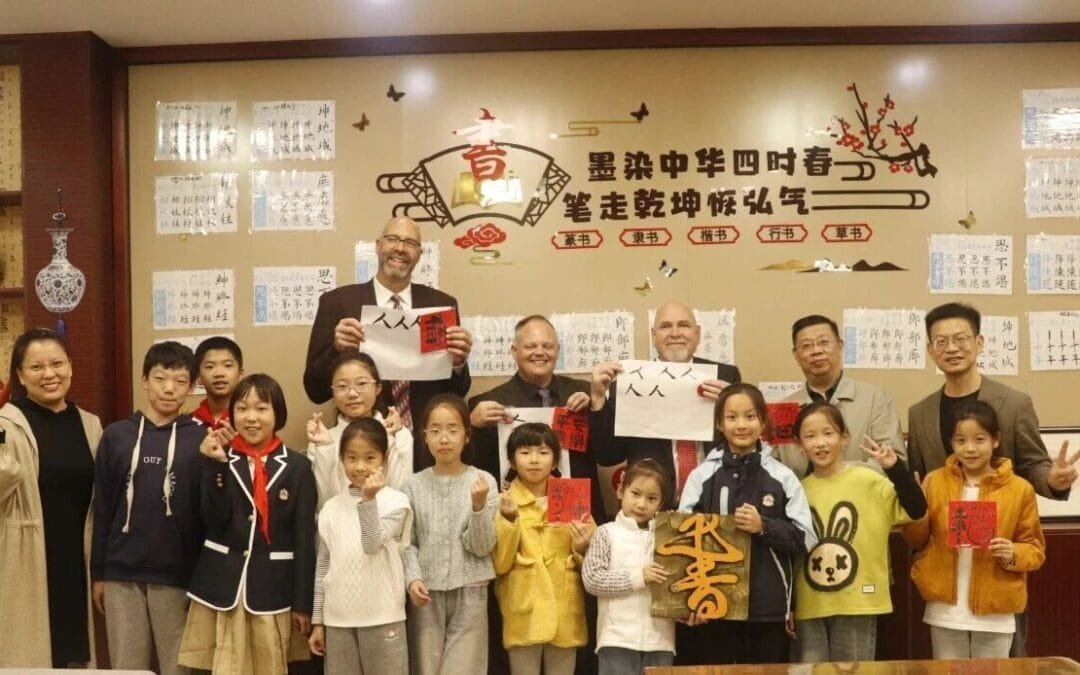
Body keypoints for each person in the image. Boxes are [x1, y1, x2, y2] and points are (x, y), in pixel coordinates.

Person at [908, 302, 1077, 656]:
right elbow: (919, 485)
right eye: (940, 341)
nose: (951, 348)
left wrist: (1055, 481)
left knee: (1007, 660)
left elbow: (1034, 464)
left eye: (960, 339)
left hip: (996, 564)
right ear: (929, 350)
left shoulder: (1013, 403)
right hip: (945, 568)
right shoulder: (919, 412)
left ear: (980, 342)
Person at [303, 216, 473, 471]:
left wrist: (458, 361)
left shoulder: (439, 306)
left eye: (410, 243)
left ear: (419, 253)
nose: (400, 248)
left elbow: (457, 391)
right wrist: (336, 351)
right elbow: (314, 390)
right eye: (393, 239)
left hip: (427, 445)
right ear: (378, 245)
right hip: (361, 448)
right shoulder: (339, 303)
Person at [178, 374, 316, 675]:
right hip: (219, 587)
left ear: (277, 413)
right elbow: (212, 520)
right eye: (242, 409)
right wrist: (215, 465)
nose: (251, 418)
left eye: (261, 408)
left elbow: (305, 538)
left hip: (272, 588)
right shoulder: (219, 457)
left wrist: (304, 603)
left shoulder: (298, 466)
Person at [678, 383, 817, 665]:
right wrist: (690, 601)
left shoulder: (783, 476)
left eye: (750, 416)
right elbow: (682, 541)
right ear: (719, 423)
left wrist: (764, 525)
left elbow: (806, 538)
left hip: (768, 608)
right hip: (714, 606)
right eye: (732, 417)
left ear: (763, 421)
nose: (741, 425)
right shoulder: (701, 475)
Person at [90, 341, 206, 675]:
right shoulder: (116, 436)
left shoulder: (201, 437)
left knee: (180, 666)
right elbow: (103, 507)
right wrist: (99, 572)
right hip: (120, 572)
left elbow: (206, 514)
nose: (169, 389)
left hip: (177, 573)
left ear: (191, 387)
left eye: (180, 381)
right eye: (160, 378)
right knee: (127, 666)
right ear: (145, 380)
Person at [903, 400, 1046, 659]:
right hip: (945, 605)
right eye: (960, 441)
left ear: (995, 440)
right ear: (952, 443)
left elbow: (1035, 549)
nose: (970, 449)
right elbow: (916, 539)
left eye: (979, 439)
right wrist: (916, 508)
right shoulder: (934, 481)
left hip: (996, 605)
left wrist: (1012, 551)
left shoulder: (1019, 489)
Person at [791, 401, 926, 662]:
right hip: (810, 602)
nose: (820, 443)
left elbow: (917, 508)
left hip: (858, 601)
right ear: (799, 444)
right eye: (810, 436)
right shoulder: (797, 490)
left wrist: (894, 467)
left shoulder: (869, 480)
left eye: (828, 433)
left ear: (845, 438)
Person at [0, 328, 103, 668]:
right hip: (25, 556)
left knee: (73, 652)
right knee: (29, 654)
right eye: (36, 367)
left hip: (77, 556)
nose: (49, 374)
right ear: (20, 375)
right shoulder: (7, 423)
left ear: (71, 367)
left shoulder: (90, 424)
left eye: (57, 364)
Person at [589, 301, 742, 506]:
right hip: (651, 507)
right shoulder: (631, 383)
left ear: (697, 333)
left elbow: (746, 443)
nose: (675, 333)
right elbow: (608, 456)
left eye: (684, 325)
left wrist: (733, 404)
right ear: (654, 336)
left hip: (715, 502)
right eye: (665, 326)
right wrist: (598, 399)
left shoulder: (725, 376)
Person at [308, 417, 412, 675]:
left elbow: (372, 544)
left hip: (383, 615)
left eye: (370, 458)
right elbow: (323, 567)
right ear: (341, 460)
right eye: (351, 458)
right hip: (338, 619)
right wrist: (318, 621)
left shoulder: (397, 502)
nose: (360, 466)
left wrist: (368, 500)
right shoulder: (331, 508)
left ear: (384, 459)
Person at [403, 394, 498, 675]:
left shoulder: (483, 481)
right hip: (426, 592)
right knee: (425, 667)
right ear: (425, 437)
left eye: (453, 430)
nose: (444, 439)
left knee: (465, 669)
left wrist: (479, 507)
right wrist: (413, 579)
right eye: (435, 430)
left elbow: (482, 547)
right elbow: (408, 543)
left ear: (467, 436)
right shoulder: (412, 485)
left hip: (471, 588)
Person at [494, 423, 593, 675]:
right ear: (512, 461)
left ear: (556, 460)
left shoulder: (572, 496)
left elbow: (596, 560)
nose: (534, 460)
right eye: (525, 452)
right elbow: (500, 563)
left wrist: (583, 547)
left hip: (565, 604)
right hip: (523, 605)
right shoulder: (503, 501)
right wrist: (508, 520)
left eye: (543, 452)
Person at [777, 314, 907, 476]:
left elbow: (895, 460)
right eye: (806, 346)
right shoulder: (782, 410)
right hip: (803, 499)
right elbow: (775, 468)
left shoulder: (875, 397)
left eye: (824, 342)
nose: (816, 351)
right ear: (796, 355)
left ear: (840, 346)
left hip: (864, 497)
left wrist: (836, 473)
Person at [582, 458, 675, 675]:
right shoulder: (605, 533)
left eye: (652, 498)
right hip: (617, 639)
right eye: (635, 494)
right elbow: (593, 579)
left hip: (661, 640)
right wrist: (640, 577)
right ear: (620, 491)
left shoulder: (669, 537)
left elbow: (678, 584)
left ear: (660, 504)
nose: (642, 504)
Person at [306, 349, 412, 510]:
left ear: (378, 388)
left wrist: (390, 437)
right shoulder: (322, 439)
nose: (352, 393)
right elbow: (323, 503)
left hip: (387, 527)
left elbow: (403, 494)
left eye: (361, 384)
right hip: (340, 529)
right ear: (332, 392)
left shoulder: (397, 433)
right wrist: (325, 448)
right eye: (342, 386)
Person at [192, 335, 244, 430]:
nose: (219, 373)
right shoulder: (189, 423)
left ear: (240, 373)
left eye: (227, 365)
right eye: (210, 367)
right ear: (198, 377)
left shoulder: (250, 421)